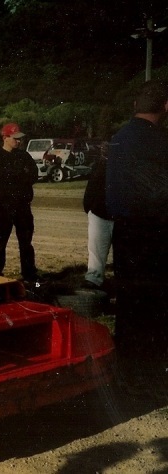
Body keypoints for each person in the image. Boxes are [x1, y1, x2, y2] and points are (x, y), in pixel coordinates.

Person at [106, 80, 168, 362]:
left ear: (135, 106)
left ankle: (128, 352)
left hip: (124, 230)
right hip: (155, 231)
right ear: (165, 106)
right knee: (155, 298)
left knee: (128, 296)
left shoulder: (119, 138)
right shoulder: (161, 140)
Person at [0, 123, 39, 282]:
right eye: (15, 138)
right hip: (4, 207)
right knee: (0, 242)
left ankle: (29, 274)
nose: (18, 142)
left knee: (26, 243)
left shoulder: (24, 156)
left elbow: (34, 175)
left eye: (19, 139)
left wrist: (14, 177)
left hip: (23, 206)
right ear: (5, 138)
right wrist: (19, 175)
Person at [82, 142, 113, 290]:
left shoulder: (125, 165)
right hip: (99, 214)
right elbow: (91, 189)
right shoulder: (98, 166)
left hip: (114, 215)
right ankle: (94, 278)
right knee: (95, 250)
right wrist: (89, 208)